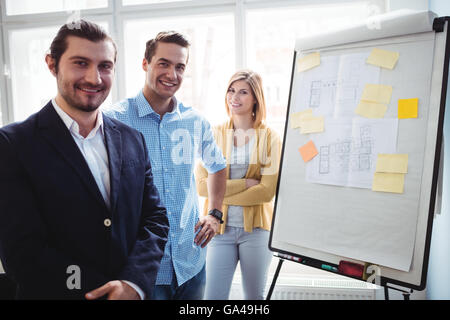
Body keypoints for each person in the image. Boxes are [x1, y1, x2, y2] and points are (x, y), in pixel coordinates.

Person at [0, 20, 169, 300]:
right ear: (52, 64)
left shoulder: (132, 139)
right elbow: (22, 252)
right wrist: (103, 291)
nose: (94, 78)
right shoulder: (12, 144)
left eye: (105, 66)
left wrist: (134, 283)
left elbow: (155, 218)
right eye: (80, 63)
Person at [105, 31, 226, 300]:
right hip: (144, 269)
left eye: (179, 67)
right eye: (163, 63)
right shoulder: (114, 120)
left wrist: (215, 214)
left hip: (190, 262)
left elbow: (217, 165)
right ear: (145, 64)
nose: (172, 74)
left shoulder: (195, 121)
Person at [195, 69, 281, 300]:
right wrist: (245, 183)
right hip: (217, 230)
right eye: (231, 91)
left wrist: (220, 192)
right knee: (213, 298)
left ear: (255, 98)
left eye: (243, 92)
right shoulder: (212, 134)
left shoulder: (270, 137)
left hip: (256, 232)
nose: (235, 97)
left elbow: (266, 193)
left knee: (253, 298)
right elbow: (202, 187)